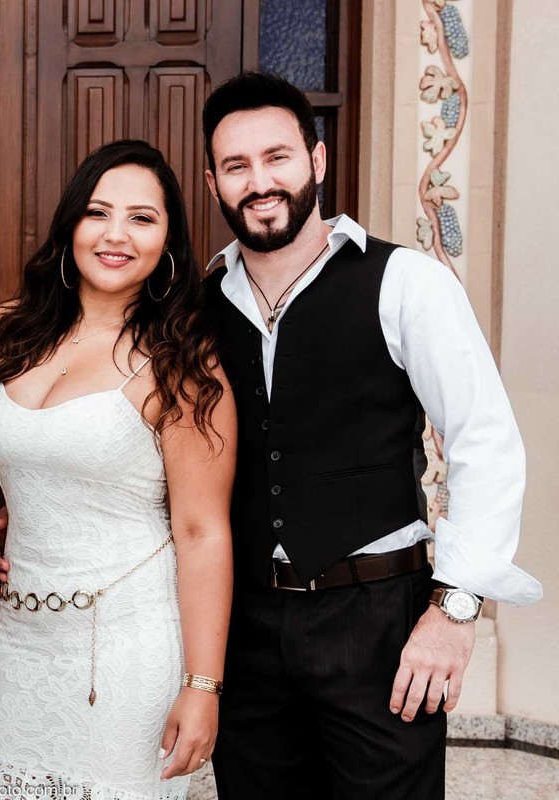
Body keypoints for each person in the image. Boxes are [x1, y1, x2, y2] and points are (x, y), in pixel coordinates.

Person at [199, 71, 542, 799]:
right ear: (213, 183)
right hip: (246, 628)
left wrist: (455, 612)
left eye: (277, 157)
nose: (259, 182)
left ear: (317, 160)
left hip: (378, 621)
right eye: (236, 166)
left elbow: (484, 442)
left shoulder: (407, 281)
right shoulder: (200, 303)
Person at [0, 139, 236, 799]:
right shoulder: (8, 331)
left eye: (142, 218)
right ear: (70, 224)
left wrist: (203, 686)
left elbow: (202, 533)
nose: (115, 234)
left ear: (168, 242)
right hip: (19, 639)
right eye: (97, 212)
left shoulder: (182, 363)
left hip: (128, 651)